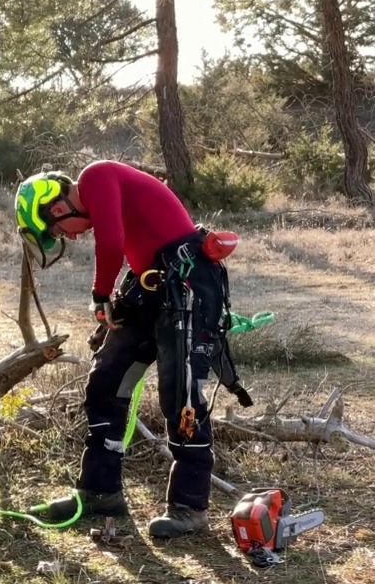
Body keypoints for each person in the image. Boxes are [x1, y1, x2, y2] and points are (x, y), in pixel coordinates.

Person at [13, 160, 254, 538]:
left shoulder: (95, 176)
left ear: (57, 207)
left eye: (58, 229)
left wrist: (100, 294)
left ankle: (189, 507)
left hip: (188, 285)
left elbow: (111, 241)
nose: (71, 237)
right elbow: (122, 239)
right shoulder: (99, 193)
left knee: (181, 395)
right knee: (105, 383)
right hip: (151, 285)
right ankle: (99, 491)